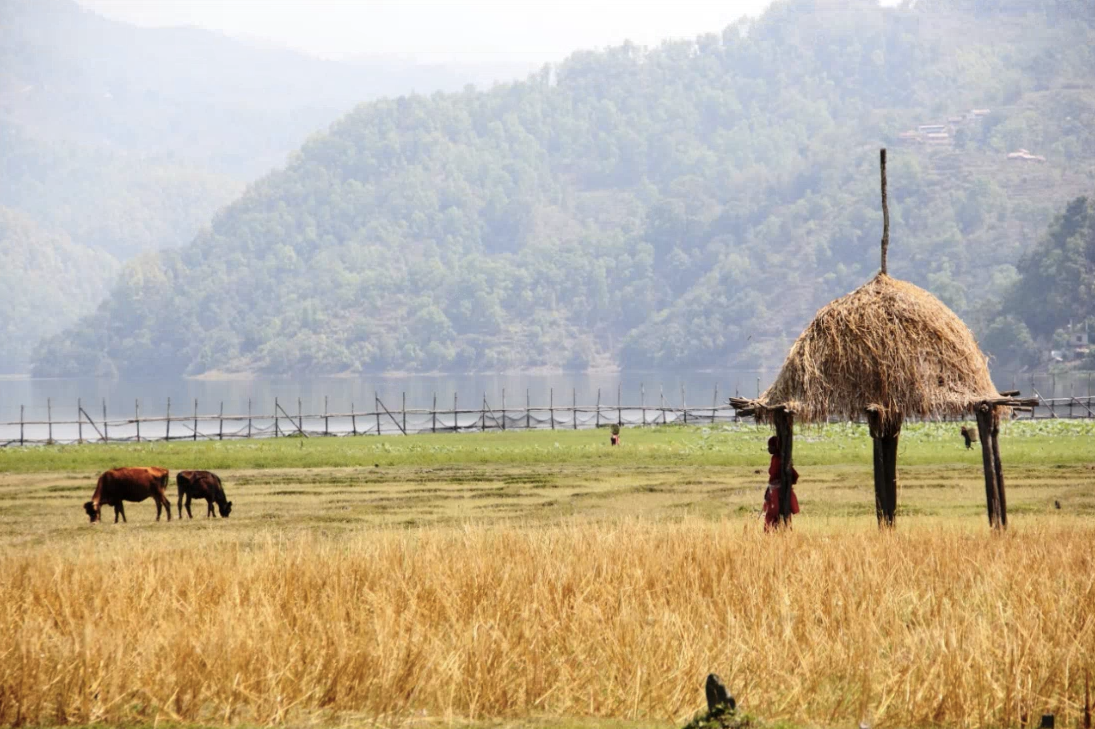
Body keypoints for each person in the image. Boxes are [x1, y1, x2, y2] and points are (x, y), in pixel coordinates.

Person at [762, 435, 799, 531]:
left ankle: (772, 533)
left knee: (773, 515)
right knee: (776, 515)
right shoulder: (777, 458)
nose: (769, 449)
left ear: (776, 447)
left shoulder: (779, 459)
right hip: (775, 490)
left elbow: (776, 473)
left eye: (771, 446)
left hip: (777, 493)